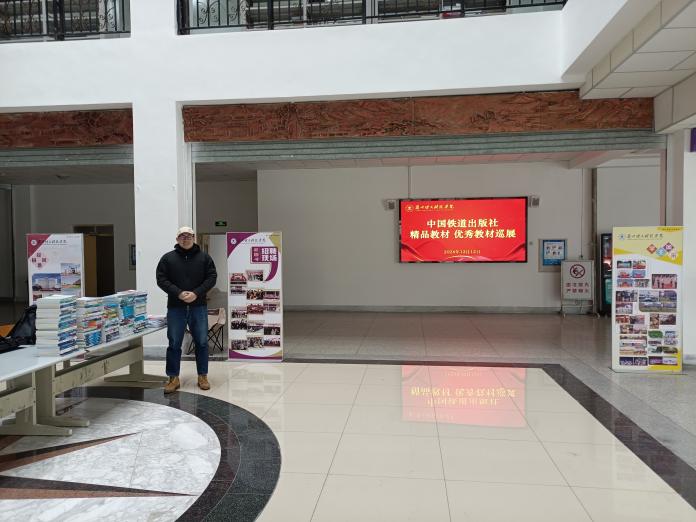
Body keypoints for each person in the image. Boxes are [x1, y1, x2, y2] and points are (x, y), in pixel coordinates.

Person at [156, 226, 217, 394]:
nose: (185, 238)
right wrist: (179, 293)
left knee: (202, 342)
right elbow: (161, 279)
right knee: (174, 343)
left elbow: (212, 277)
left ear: (194, 238)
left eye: (188, 235)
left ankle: (202, 376)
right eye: (182, 236)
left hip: (199, 306)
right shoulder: (167, 259)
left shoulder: (204, 258)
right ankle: (173, 378)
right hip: (176, 308)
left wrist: (196, 293)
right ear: (177, 239)